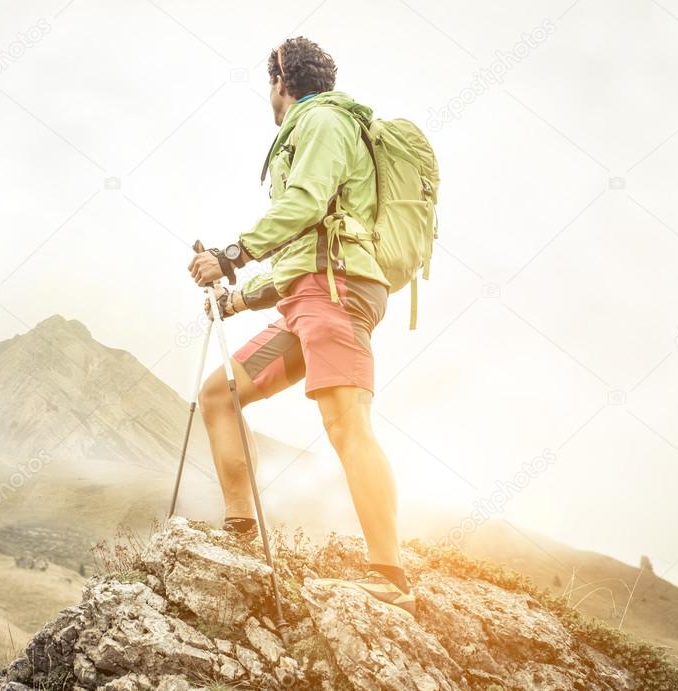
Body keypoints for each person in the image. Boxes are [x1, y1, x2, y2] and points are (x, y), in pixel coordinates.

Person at [186, 37, 416, 619]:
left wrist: (231, 254)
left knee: (346, 423)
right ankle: (240, 533)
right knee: (221, 394)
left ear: (281, 83)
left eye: (270, 85)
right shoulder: (325, 130)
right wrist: (236, 299)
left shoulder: (319, 122)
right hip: (310, 301)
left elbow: (307, 205)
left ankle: (390, 575)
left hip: (334, 298)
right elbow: (299, 254)